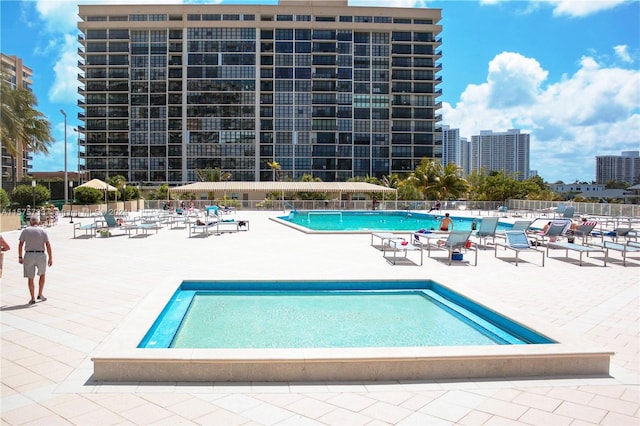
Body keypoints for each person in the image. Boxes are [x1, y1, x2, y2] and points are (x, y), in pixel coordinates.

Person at [18, 215, 53, 305]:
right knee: (42, 275)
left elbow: (21, 244)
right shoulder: (43, 231)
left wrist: (20, 257)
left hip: (29, 255)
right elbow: (48, 245)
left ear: (30, 222)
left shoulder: (25, 231)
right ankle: (40, 294)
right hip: (40, 254)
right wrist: (50, 258)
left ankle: (32, 298)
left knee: (30, 277)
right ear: (38, 222)